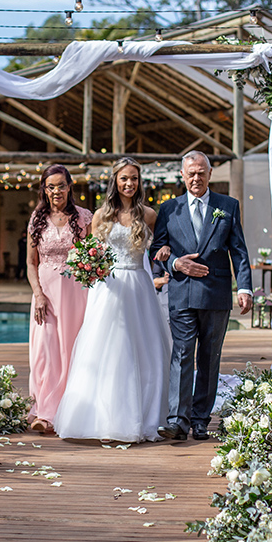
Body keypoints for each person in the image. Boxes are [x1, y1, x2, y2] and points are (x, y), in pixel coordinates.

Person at [54, 158, 172, 442]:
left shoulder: (149, 215)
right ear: (115, 182)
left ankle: (147, 416)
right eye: (124, 179)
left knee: (146, 351)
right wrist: (89, 266)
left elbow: (163, 244)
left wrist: (166, 250)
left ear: (139, 182)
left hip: (139, 286)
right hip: (109, 288)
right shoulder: (101, 215)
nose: (129, 184)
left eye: (134, 179)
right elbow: (91, 250)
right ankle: (104, 419)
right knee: (107, 352)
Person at [151, 150, 253, 441]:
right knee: (181, 355)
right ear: (182, 176)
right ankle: (176, 421)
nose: (196, 178)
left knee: (209, 358)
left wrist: (244, 288)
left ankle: (199, 420)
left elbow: (240, 251)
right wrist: (174, 263)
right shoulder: (169, 209)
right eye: (190, 173)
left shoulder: (227, 206)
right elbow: (156, 250)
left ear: (210, 174)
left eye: (201, 172)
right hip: (181, 293)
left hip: (215, 293)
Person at [26, 164, 93, 434]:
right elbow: (31, 263)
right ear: (44, 189)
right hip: (46, 294)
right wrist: (38, 294)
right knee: (46, 351)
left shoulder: (83, 217)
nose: (56, 191)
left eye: (61, 186)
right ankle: (45, 411)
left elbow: (91, 256)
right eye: (51, 186)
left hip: (76, 293)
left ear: (69, 187)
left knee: (71, 350)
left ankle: (71, 409)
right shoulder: (36, 218)